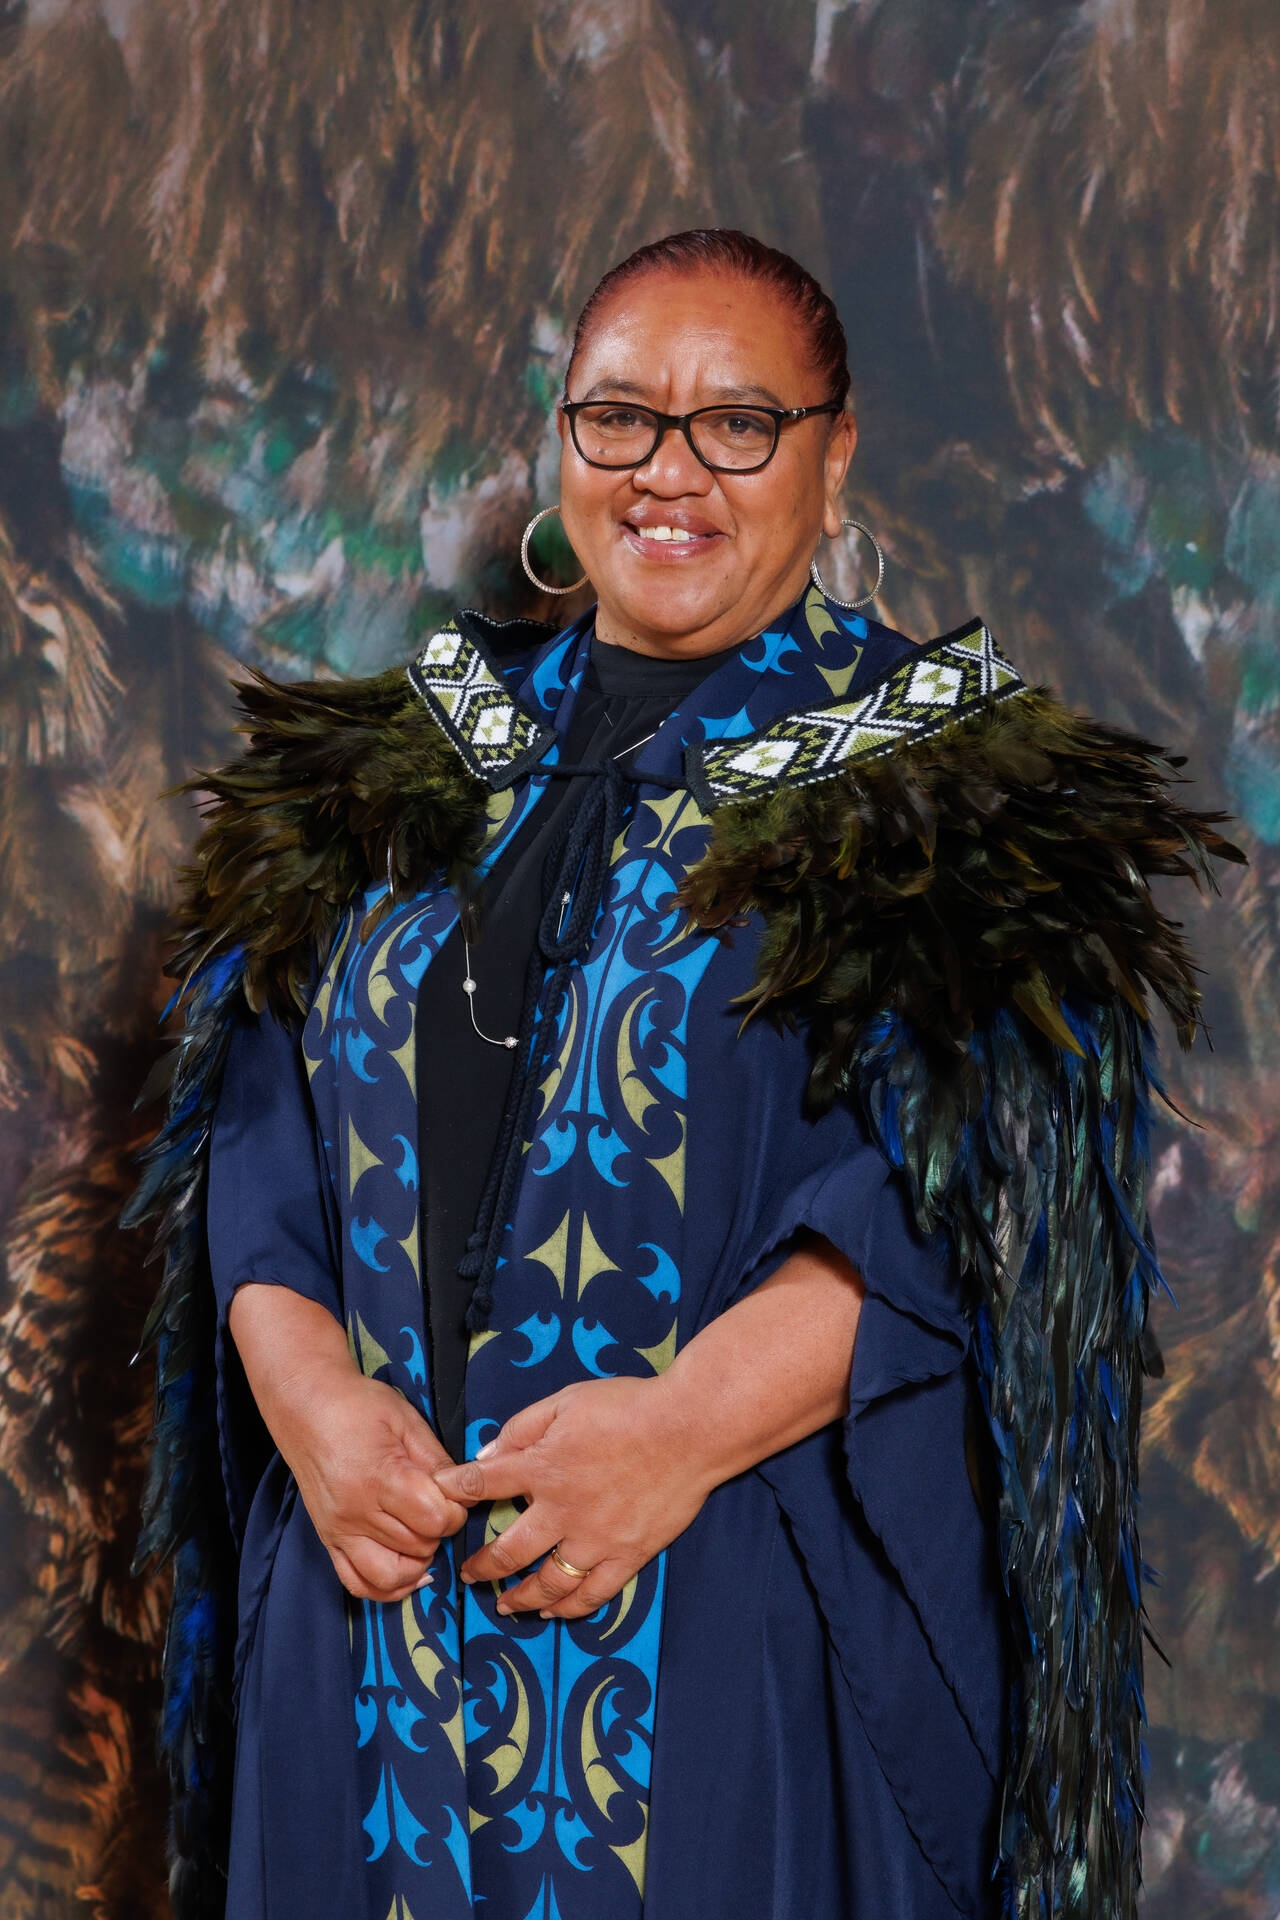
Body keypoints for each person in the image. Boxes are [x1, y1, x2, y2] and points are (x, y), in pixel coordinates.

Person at [124, 229, 1239, 1920]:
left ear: (833, 454)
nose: (669, 472)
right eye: (621, 416)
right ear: (562, 438)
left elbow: (972, 1206)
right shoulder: (400, 764)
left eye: (738, 423)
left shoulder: (955, 799)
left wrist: (677, 1434)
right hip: (367, 1629)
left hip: (719, 1624)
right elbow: (261, 1124)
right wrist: (313, 1409)